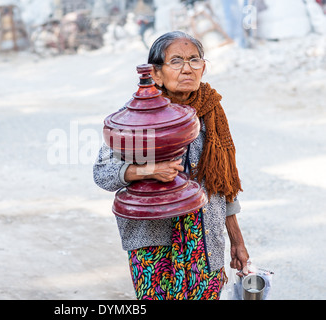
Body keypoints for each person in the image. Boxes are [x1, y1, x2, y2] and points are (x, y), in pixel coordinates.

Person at [93, 31, 249, 300]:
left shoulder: (211, 112)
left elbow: (222, 184)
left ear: (204, 67)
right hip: (154, 240)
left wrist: (237, 240)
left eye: (194, 60)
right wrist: (148, 171)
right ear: (156, 73)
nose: (187, 68)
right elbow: (103, 172)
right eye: (176, 61)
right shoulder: (137, 116)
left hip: (204, 237)